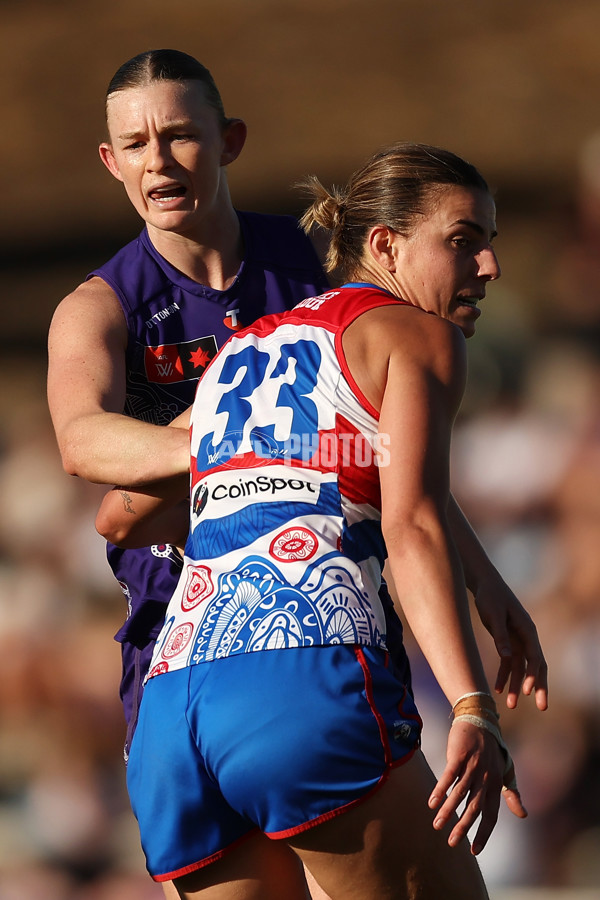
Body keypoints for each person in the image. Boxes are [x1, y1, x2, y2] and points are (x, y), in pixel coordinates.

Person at [97, 142, 548, 899]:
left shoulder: (240, 355)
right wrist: (472, 705)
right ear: (385, 246)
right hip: (298, 677)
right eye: (464, 241)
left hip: (172, 711)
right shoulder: (414, 335)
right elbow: (412, 525)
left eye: (491, 243)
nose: (489, 266)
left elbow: (119, 516)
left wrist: (250, 473)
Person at [46, 48, 332, 900]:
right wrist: (243, 437)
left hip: (323, 627)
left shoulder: (316, 265)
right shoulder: (100, 307)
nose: (157, 162)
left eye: (179, 137)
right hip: (178, 644)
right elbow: (82, 441)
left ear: (229, 141)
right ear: (110, 162)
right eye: (133, 145)